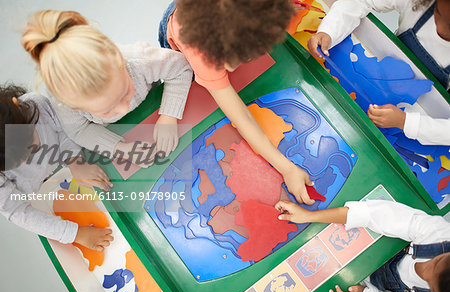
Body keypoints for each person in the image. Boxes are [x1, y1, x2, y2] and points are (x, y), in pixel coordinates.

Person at [158, 0, 314, 204]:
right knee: (177, 67)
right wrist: (287, 168)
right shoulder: (199, 51)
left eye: (245, 58)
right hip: (179, 22)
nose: (230, 70)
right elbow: (242, 117)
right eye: (224, 61)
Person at [22, 10, 193, 166]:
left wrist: (169, 115)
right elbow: (79, 130)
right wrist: (120, 149)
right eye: (106, 110)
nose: (124, 107)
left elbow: (181, 67)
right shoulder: (65, 104)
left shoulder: (139, 60)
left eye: (125, 92)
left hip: (154, 103)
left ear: (118, 58)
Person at [307, 0, 450, 146]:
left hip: (423, 113)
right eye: (437, 12)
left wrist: (406, 122)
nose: (440, 25)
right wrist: (329, 31)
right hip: (380, 76)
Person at [0, 84, 113, 251]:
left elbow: (66, 129)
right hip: (39, 193)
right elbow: (18, 212)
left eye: (28, 143)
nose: (27, 157)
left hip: (65, 169)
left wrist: (75, 161)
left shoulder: (39, 106)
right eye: (16, 161)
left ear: (17, 107)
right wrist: (76, 234)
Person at [275, 199, 450, 292]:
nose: (425, 272)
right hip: (374, 244)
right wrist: (309, 216)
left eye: (431, 284)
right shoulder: (442, 235)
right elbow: (376, 215)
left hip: (365, 283)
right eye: (437, 262)